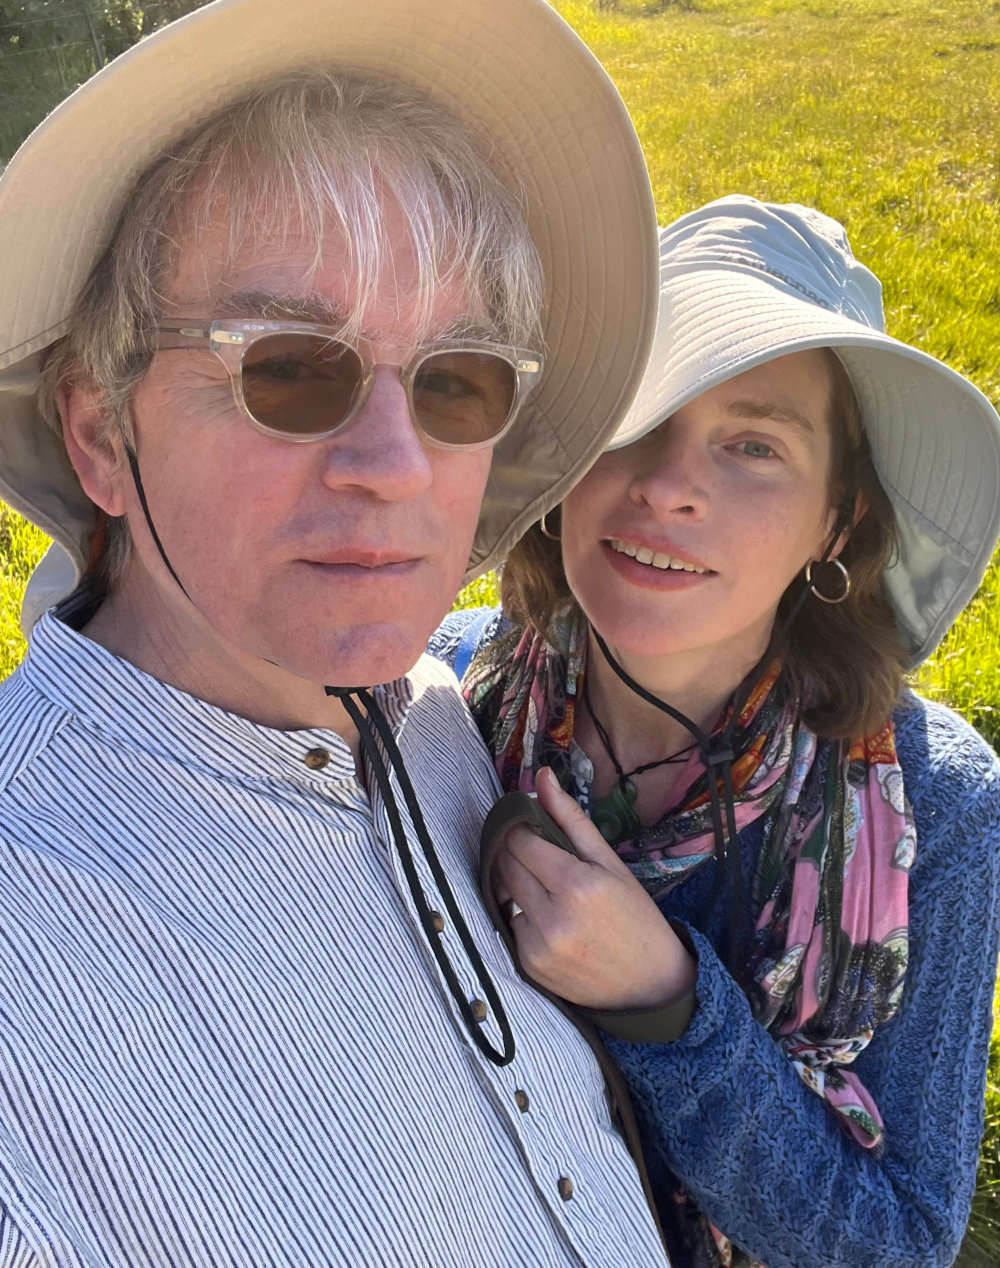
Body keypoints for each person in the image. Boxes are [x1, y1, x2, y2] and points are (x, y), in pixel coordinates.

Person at [0, 0, 671, 1263]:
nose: (394, 466)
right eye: (289, 368)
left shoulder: (431, 713)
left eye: (456, 379)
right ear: (101, 432)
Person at [433, 195, 1000, 1268]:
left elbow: (900, 1241)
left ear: (840, 521)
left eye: (752, 445)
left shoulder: (937, 808)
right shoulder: (445, 694)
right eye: (636, 422)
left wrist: (669, 1005)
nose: (662, 488)